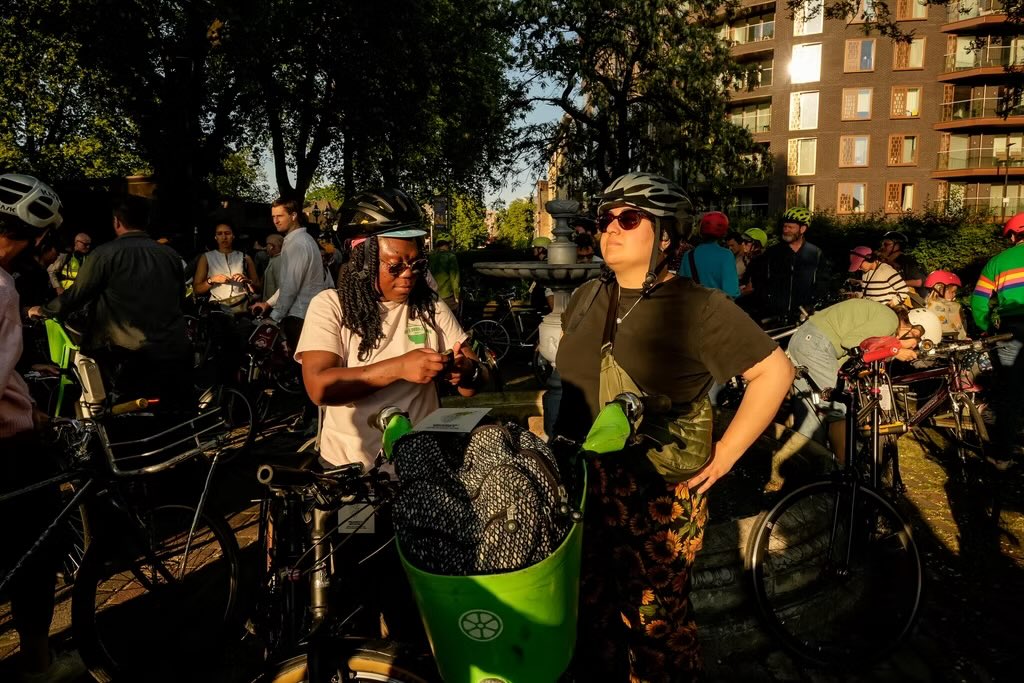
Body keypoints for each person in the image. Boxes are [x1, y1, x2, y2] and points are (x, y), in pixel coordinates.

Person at [555, 172, 794, 681]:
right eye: (605, 219)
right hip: (579, 481)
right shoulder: (587, 296)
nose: (611, 228)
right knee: (589, 615)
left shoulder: (698, 306)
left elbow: (775, 371)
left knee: (657, 628)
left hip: (653, 491)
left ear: (666, 236)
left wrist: (727, 452)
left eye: (629, 218)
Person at [0, 173, 87, 683]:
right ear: (39, 239)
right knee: (39, 545)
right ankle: (39, 663)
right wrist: (28, 415)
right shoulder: (3, 287)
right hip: (9, 447)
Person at [28, 195, 192, 411]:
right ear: (147, 221)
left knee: (116, 409)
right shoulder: (170, 255)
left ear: (116, 222)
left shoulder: (105, 254)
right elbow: (181, 299)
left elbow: (77, 296)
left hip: (123, 352)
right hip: (172, 348)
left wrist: (44, 310)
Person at [765, 301, 941, 492]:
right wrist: (896, 350)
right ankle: (847, 477)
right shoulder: (889, 319)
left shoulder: (882, 317)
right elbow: (852, 342)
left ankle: (791, 480)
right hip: (815, 344)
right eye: (916, 346)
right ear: (915, 332)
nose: (913, 351)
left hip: (804, 343)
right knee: (839, 409)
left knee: (812, 421)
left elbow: (849, 354)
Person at [250, 197, 332, 432]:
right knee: (303, 369)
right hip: (305, 311)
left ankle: (314, 420)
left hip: (301, 314)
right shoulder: (302, 241)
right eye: (273, 216)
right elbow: (288, 284)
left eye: (280, 216)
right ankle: (311, 417)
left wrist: (274, 316)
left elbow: (291, 286)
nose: (275, 220)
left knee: (305, 371)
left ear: (294, 215)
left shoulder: (297, 244)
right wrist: (268, 303)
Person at [970, 213, 1024, 469]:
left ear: (1014, 236)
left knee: (1009, 394)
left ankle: (1003, 456)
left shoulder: (997, 262)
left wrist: (987, 328)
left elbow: (979, 301)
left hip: (1011, 333)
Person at [750, 207, 831, 323]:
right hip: (774, 317)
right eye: (784, 226)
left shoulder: (815, 253)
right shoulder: (773, 253)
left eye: (791, 227)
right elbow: (759, 280)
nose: (786, 230)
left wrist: (813, 304)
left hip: (804, 316)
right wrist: (766, 301)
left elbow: (823, 283)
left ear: (802, 229)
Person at [192, 221, 260, 313]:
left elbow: (258, 288)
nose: (224, 237)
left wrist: (247, 281)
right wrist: (211, 280)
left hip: (241, 306)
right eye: (219, 234)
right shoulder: (206, 257)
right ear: (215, 237)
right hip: (217, 309)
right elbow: (197, 289)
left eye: (227, 233)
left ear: (233, 236)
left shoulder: (244, 257)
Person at [677, 210, 740, 297]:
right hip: (716, 308)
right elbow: (731, 292)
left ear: (701, 230)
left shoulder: (688, 255)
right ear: (723, 233)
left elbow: (681, 287)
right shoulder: (726, 255)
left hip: (692, 307)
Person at [877, 230, 926, 297]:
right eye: (882, 245)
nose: (882, 247)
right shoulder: (883, 261)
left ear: (897, 246)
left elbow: (919, 281)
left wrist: (894, 283)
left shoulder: (907, 261)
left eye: (886, 245)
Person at [924, 270, 967, 340]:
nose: (954, 294)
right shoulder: (936, 307)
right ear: (940, 289)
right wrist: (963, 338)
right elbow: (947, 329)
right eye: (952, 292)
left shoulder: (933, 304)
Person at [427, 238, 461, 312]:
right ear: (446, 246)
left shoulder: (431, 257)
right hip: (447, 294)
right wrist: (456, 295)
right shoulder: (451, 257)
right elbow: (454, 277)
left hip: (433, 293)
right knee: (452, 316)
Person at [738, 227, 768, 297]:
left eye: (746, 242)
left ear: (757, 245)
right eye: (742, 241)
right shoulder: (752, 259)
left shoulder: (758, 262)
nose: (742, 244)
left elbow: (750, 288)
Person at [261, 233, 284, 301]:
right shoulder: (275, 259)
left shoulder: (279, 261)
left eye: (267, 245)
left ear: (271, 246)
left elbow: (280, 287)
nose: (266, 248)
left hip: (273, 305)